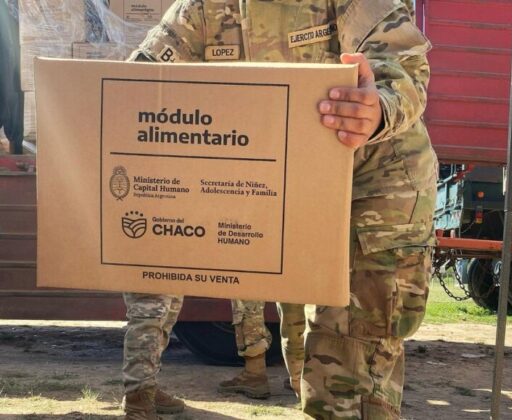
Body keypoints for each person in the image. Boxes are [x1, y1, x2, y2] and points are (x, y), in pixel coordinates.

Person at [122, 0, 437, 418]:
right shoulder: (201, 8)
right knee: (301, 340)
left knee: (347, 362)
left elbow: (403, 67)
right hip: (284, 181)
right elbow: (138, 81)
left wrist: (377, 106)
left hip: (373, 183)